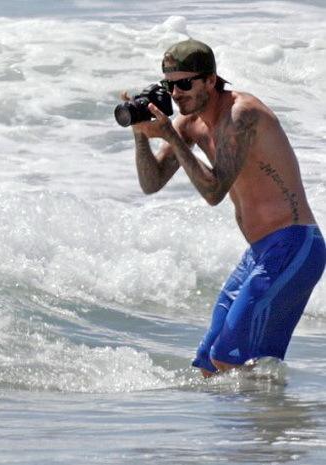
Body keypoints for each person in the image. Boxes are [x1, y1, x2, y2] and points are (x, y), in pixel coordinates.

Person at [122, 38, 325, 377]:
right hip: (260, 251)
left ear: (211, 81)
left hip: (295, 244)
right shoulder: (190, 125)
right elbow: (151, 182)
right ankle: (254, 425)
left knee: (231, 359)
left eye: (185, 83)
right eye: (169, 85)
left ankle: (278, 424)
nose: (176, 94)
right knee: (208, 365)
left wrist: (171, 137)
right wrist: (140, 134)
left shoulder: (241, 114)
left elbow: (215, 191)